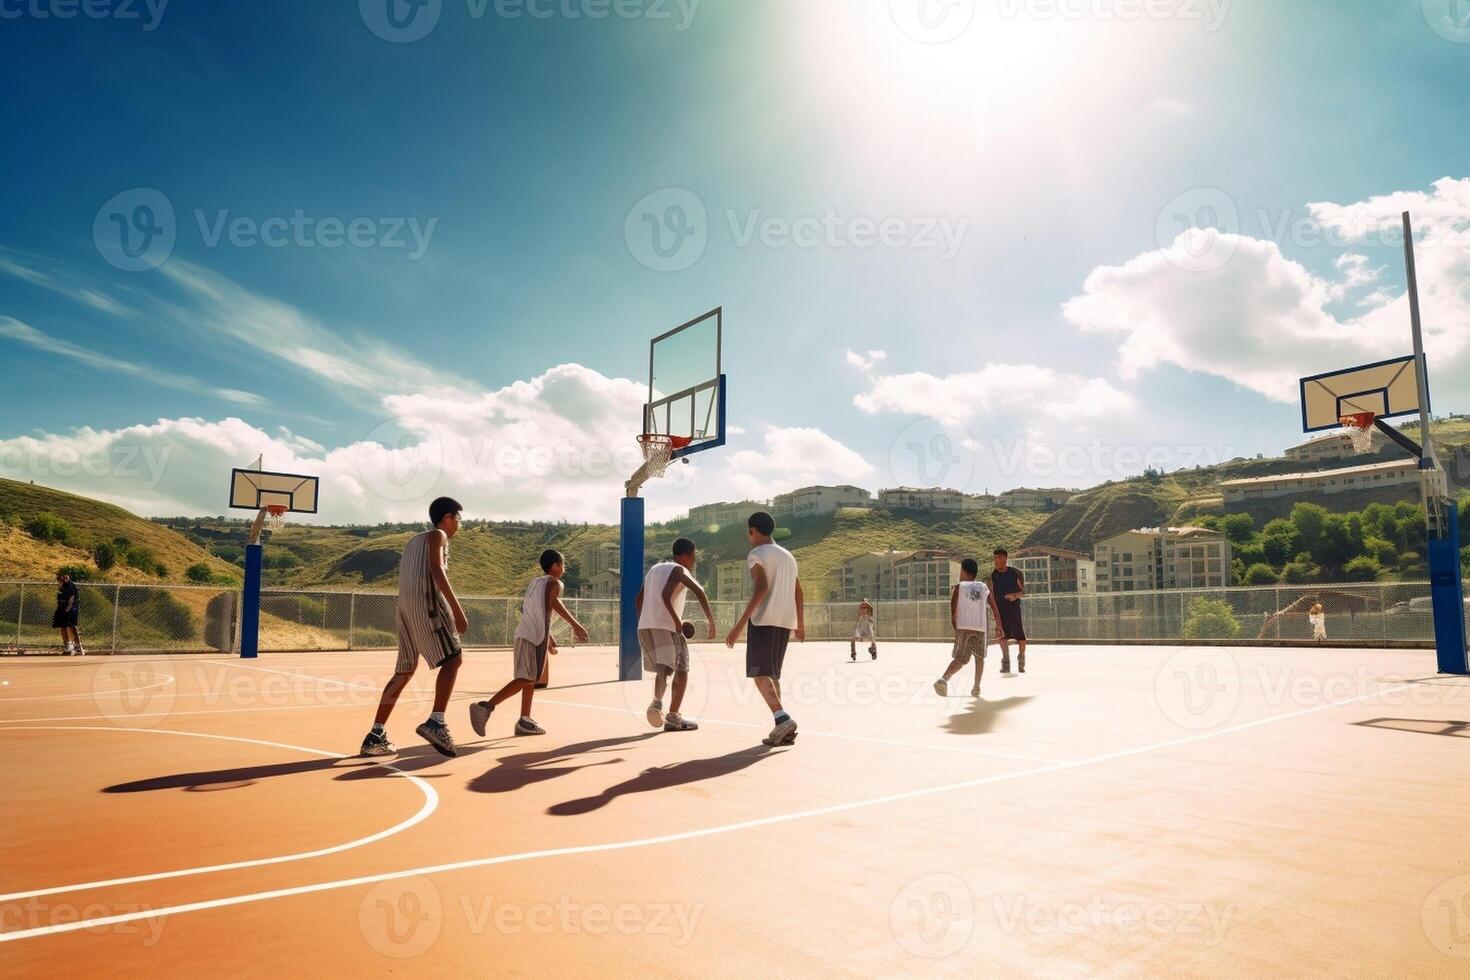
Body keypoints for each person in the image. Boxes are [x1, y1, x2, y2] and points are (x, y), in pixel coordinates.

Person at [360, 497, 468, 758]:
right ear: (448, 517)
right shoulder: (437, 535)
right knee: (454, 660)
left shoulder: (412, 541)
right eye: (459, 519)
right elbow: (436, 569)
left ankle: (375, 734)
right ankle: (436, 722)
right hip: (426, 604)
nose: (459, 525)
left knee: (405, 670)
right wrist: (456, 609)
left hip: (405, 610)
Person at [471, 549, 588, 738]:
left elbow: (535, 610)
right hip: (532, 638)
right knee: (527, 678)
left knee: (530, 678)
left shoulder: (535, 583)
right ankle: (485, 707)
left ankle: (525, 719)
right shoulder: (554, 583)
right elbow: (553, 603)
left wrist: (547, 635)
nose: (563, 569)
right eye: (562, 564)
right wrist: (576, 625)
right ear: (555, 565)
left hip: (527, 634)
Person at [725, 512, 804, 746]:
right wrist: (800, 624)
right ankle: (782, 729)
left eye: (749, 532)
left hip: (764, 620)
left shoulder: (757, 554)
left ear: (753, 531)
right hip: (785, 621)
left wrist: (739, 626)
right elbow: (798, 591)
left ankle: (782, 719)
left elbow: (761, 588)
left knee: (759, 674)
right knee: (771, 675)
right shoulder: (788, 556)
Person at [636, 537, 716, 732]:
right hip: (667, 625)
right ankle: (673, 716)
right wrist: (709, 622)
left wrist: (645, 621)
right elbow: (699, 591)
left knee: (665, 669)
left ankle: (656, 702)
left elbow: (638, 601)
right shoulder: (679, 570)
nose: (694, 561)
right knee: (682, 668)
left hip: (646, 625)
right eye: (693, 557)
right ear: (686, 555)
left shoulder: (654, 570)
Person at [934, 559, 1004, 697]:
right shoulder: (983, 587)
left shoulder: (959, 587)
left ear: (964, 572)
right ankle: (976, 687)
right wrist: (999, 625)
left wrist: (955, 624)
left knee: (961, 658)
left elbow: (953, 607)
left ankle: (944, 679)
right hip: (980, 627)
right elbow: (994, 606)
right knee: (979, 657)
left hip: (964, 627)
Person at [990, 548, 1027, 673]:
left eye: (999, 557)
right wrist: (993, 609)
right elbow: (991, 594)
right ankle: (1005, 661)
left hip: (1014, 609)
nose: (997, 560)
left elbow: (1023, 591)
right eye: (995, 557)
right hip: (1000, 611)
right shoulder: (993, 575)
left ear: (1005, 558)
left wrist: (1014, 596)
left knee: (1020, 636)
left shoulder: (1015, 573)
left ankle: (1021, 658)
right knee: (1002, 636)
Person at [53, 571, 83, 655]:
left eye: (61, 577)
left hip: (71, 609)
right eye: (59, 578)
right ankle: (67, 646)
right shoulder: (61, 586)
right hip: (61, 609)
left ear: (66, 577)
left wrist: (68, 609)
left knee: (72, 626)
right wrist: (60, 609)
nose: (59, 580)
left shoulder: (71, 587)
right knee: (63, 627)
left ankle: (78, 646)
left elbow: (72, 599)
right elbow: (59, 598)